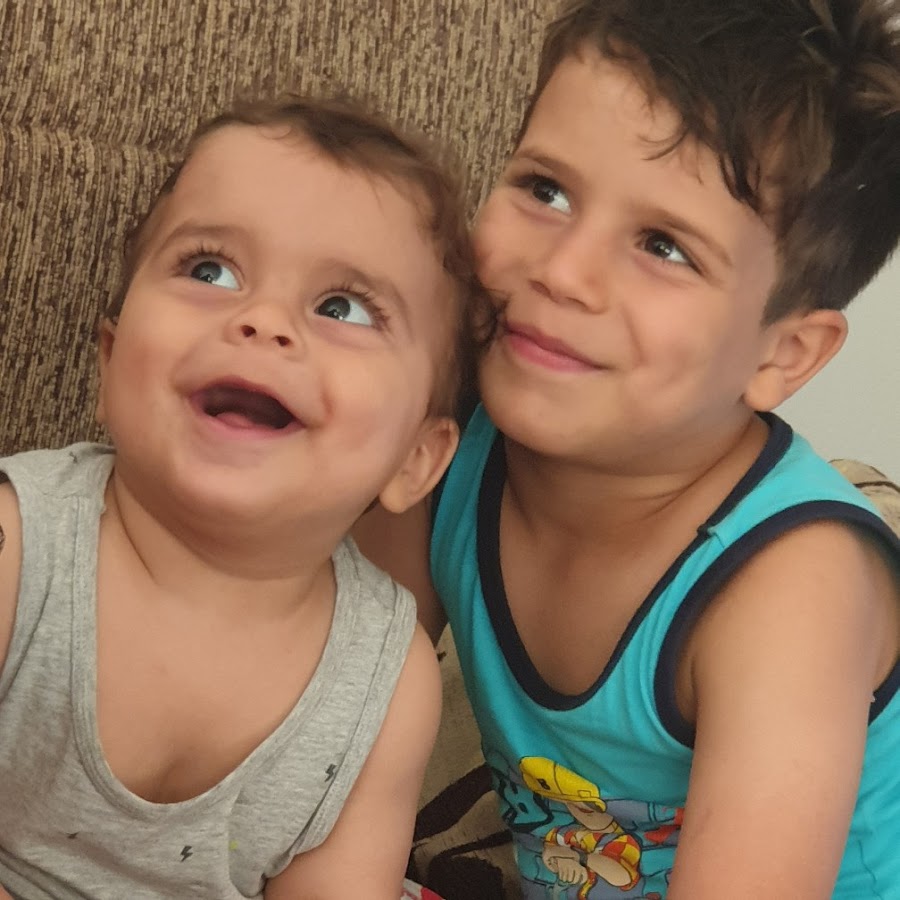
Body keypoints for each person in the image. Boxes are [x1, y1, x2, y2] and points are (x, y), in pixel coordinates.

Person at [354, 1, 900, 897]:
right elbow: (328, 721)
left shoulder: (790, 588)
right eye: (545, 190)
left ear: (782, 355)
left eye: (663, 247)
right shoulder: (443, 448)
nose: (563, 270)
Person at [0, 94, 483, 899]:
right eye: (210, 270)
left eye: (342, 307)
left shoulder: (387, 680)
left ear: (416, 459)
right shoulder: (21, 548)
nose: (263, 320)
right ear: (110, 364)